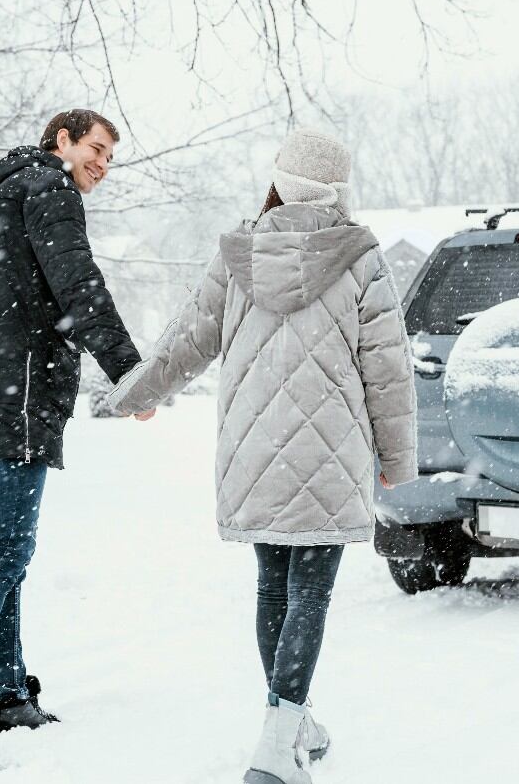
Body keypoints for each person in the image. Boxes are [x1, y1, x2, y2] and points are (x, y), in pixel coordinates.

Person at [107, 128, 418, 784]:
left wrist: (139, 391)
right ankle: (278, 747)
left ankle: (292, 720)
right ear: (336, 191)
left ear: (280, 180)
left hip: (253, 447)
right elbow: (388, 370)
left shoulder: (238, 252)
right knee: (309, 587)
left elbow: (187, 338)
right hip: (330, 450)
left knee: (273, 581)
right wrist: (397, 455)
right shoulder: (360, 257)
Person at [0, 109, 146, 773]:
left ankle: (8, 695)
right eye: (96, 148)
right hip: (13, 394)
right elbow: (80, 289)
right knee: (6, 547)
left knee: (2, 544)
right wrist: (132, 372)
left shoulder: (5, 197)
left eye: (109, 156)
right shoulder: (51, 190)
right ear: (62, 141)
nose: (102, 163)